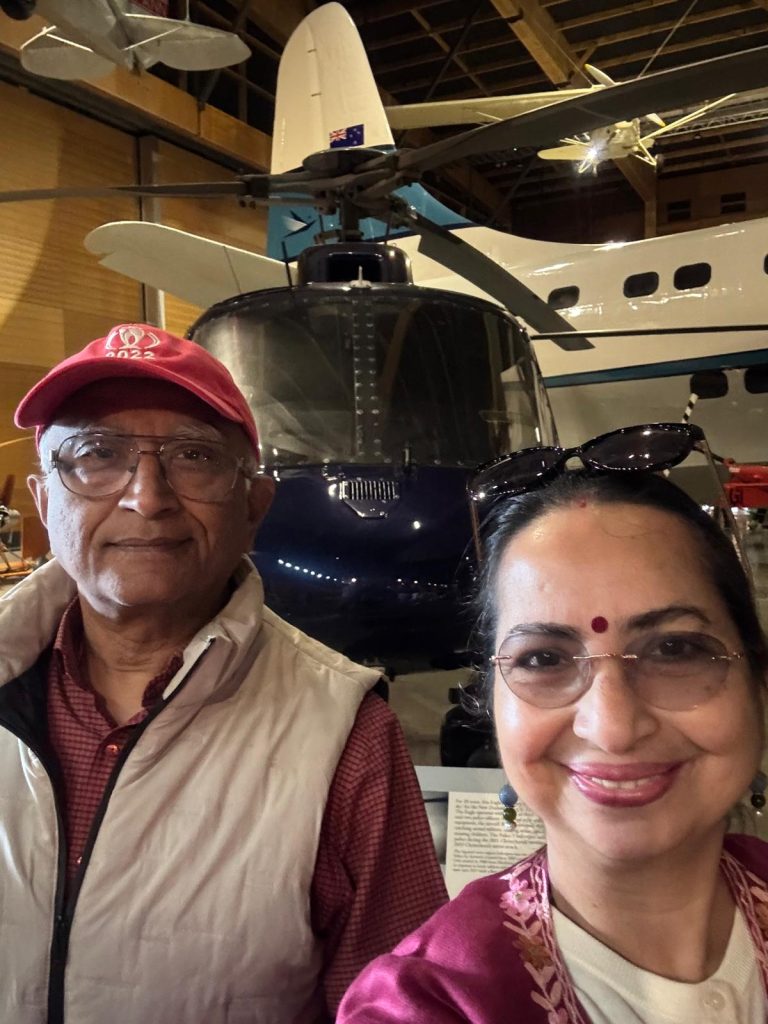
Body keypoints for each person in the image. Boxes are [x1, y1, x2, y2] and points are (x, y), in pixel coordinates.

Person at [0, 323, 447, 1024]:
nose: (147, 497)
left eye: (195, 456)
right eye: (96, 454)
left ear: (253, 506)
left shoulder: (346, 736)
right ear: (43, 500)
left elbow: (401, 1007)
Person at [339, 422, 768, 1023]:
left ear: (757, 678)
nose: (613, 728)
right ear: (491, 700)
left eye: (674, 650)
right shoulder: (427, 1002)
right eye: (543, 659)